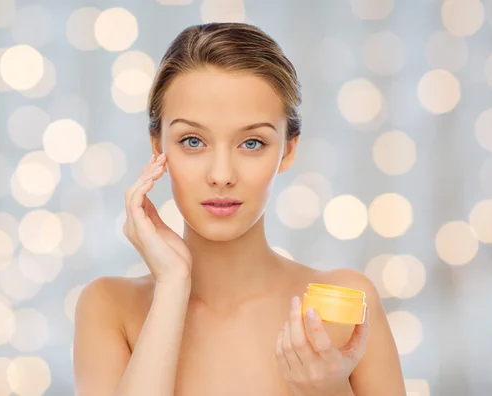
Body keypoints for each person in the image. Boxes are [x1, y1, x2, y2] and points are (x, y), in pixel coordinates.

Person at [73, 22, 406, 396]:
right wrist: (172, 286)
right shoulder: (109, 308)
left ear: (288, 150)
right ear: (158, 148)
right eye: (193, 141)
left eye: (251, 143)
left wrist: (328, 390)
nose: (221, 175)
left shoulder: (341, 304)